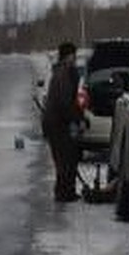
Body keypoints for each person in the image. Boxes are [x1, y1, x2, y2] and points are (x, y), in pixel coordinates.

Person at [41, 40, 84, 202]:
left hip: (55, 121)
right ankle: (64, 193)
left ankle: (65, 191)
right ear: (68, 56)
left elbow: (71, 101)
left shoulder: (61, 72)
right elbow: (66, 102)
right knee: (65, 158)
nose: (75, 58)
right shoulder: (64, 73)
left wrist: (80, 117)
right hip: (57, 122)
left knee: (66, 158)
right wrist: (76, 119)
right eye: (74, 55)